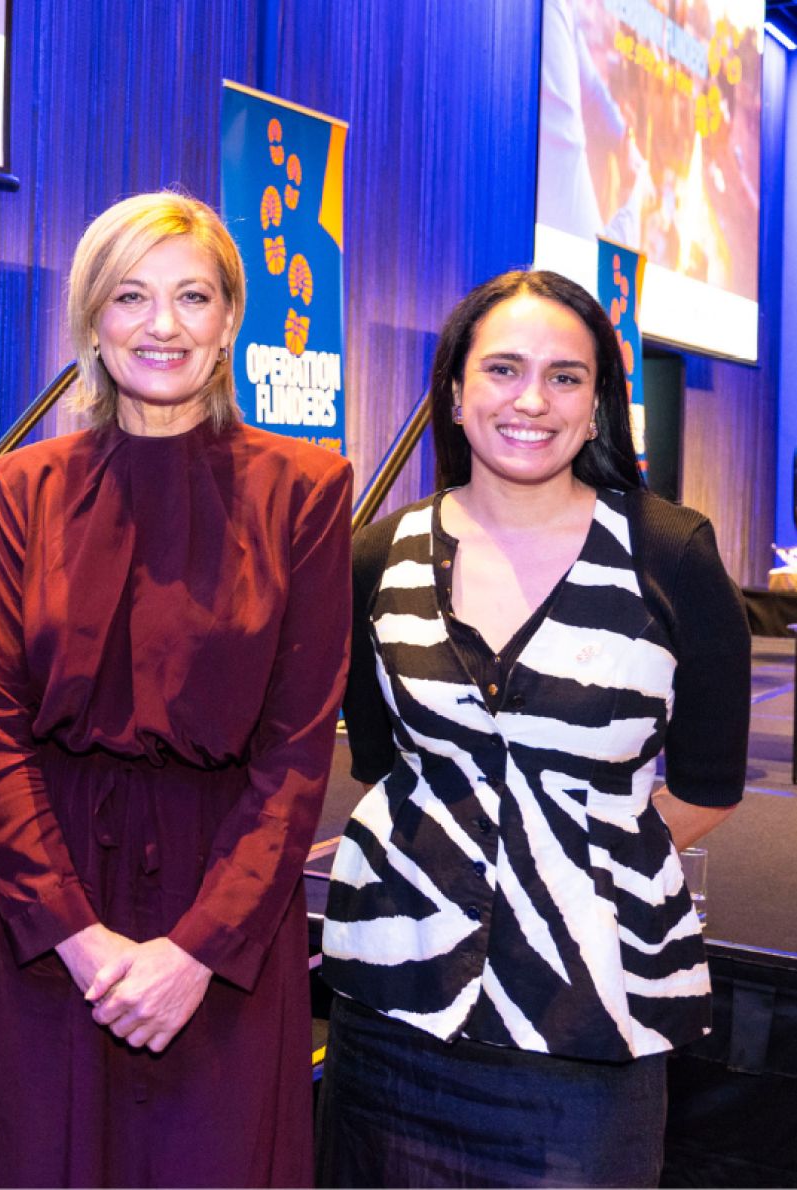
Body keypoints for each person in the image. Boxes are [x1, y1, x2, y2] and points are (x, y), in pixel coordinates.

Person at [0, 190, 354, 1187]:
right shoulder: (25, 487)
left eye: (192, 297)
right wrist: (80, 940)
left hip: (221, 919)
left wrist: (196, 950)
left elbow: (298, 750)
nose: (162, 324)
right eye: (131, 296)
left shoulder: (305, 489)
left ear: (228, 325)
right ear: (94, 319)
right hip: (53, 916)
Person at [318, 269, 749, 1187]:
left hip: (591, 1025)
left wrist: (573, 858)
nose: (531, 399)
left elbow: (710, 785)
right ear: (455, 391)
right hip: (394, 1016)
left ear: (597, 404)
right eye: (503, 369)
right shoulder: (375, 555)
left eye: (564, 376)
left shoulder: (670, 552)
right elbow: (386, 761)